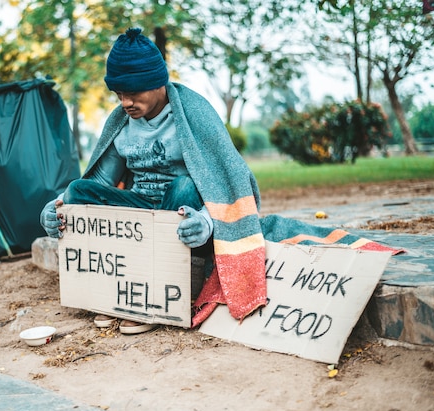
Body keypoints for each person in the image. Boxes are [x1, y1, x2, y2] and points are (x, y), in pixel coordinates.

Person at [41, 27, 268, 334]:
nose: (125, 102)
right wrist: (60, 207)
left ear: (158, 82)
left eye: (133, 92)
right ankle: (115, 296)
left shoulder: (193, 113)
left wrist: (205, 221)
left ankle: (153, 302)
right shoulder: (121, 122)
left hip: (181, 214)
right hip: (141, 211)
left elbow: (230, 180)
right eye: (119, 94)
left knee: (184, 185)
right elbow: (97, 183)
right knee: (76, 189)